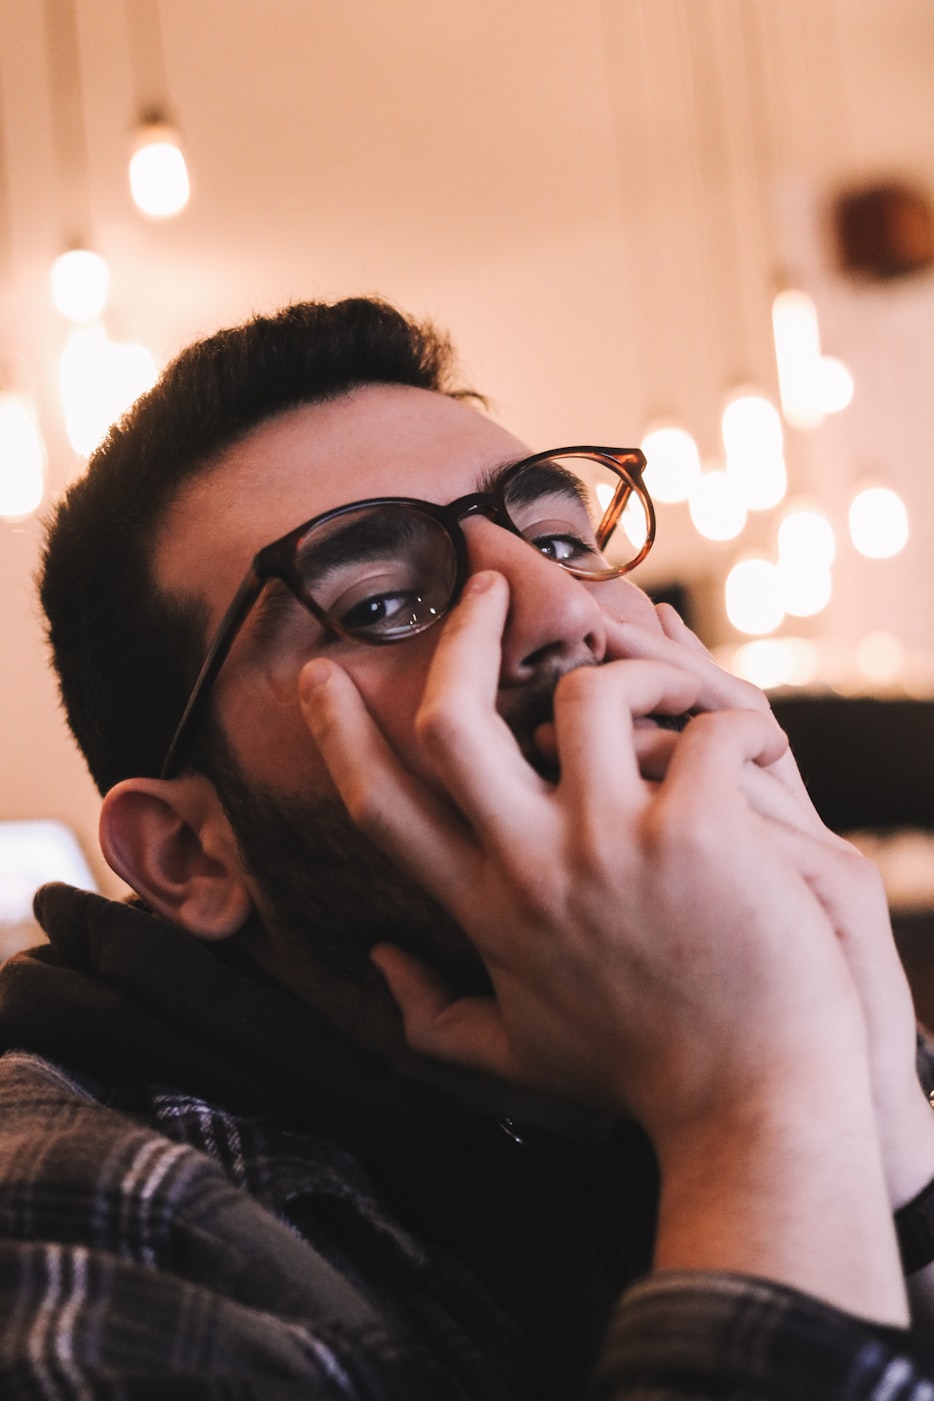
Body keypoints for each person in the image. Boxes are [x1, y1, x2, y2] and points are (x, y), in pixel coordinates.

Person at [1, 296, 934, 1398]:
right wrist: (756, 1110)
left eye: (561, 542)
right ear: (188, 857)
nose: (562, 612)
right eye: (383, 604)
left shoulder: (796, 997)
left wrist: (886, 1145)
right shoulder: (70, 1213)